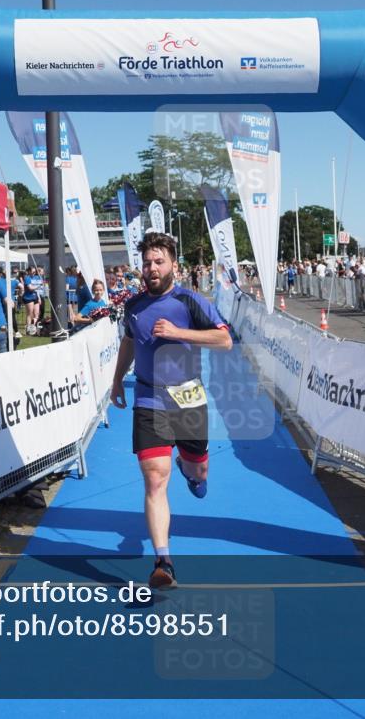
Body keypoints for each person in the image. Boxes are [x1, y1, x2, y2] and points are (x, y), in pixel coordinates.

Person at [110, 233, 232, 589]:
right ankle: (163, 561)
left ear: (173, 265)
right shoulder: (133, 306)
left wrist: (180, 333)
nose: (151, 268)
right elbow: (129, 343)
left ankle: (191, 471)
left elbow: (224, 340)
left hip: (189, 399)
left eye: (159, 261)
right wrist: (118, 380)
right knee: (154, 477)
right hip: (149, 398)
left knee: (198, 468)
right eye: (147, 262)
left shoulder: (190, 301)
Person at [22, 266, 42, 335]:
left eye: (35, 272)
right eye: (33, 272)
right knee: (29, 314)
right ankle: (28, 329)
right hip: (28, 298)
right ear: (29, 271)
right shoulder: (27, 278)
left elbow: (37, 290)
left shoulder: (35, 277)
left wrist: (39, 297)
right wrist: (39, 285)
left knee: (36, 314)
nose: (34, 273)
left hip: (35, 297)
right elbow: (30, 288)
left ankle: (34, 329)